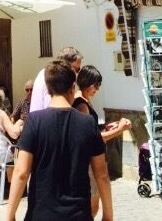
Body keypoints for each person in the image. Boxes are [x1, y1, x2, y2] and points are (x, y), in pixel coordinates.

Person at [7, 59, 112, 221]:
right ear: (72, 87)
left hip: (41, 214)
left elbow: (21, 173)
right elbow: (102, 174)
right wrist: (108, 216)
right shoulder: (88, 123)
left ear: (48, 90)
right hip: (78, 214)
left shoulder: (34, 121)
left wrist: (9, 216)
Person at [72, 65, 132, 218]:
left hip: (88, 160)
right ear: (88, 83)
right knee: (92, 207)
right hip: (89, 162)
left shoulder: (83, 101)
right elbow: (92, 138)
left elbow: (91, 130)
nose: (97, 89)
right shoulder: (82, 105)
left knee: (93, 205)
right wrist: (120, 130)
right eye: (96, 85)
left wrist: (107, 126)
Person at [29, 45, 82, 113]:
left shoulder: (48, 73)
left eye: (78, 70)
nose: (75, 73)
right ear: (64, 64)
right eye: (75, 68)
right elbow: (53, 110)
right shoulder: (52, 76)